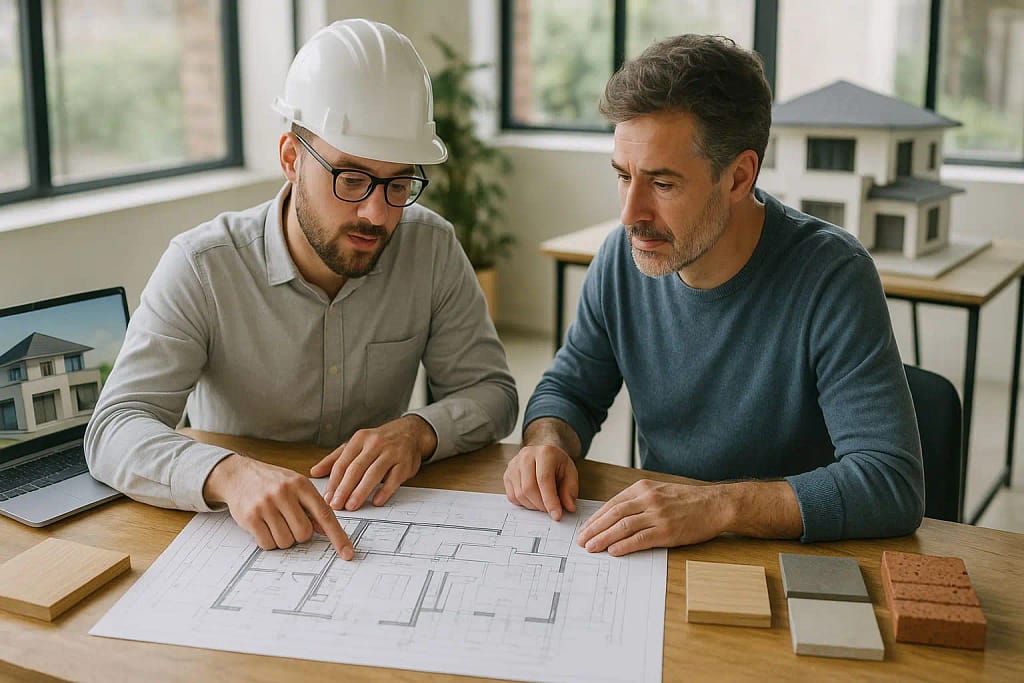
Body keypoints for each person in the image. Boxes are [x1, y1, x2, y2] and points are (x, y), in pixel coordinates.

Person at [85, 19, 517, 560]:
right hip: (238, 540)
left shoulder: (431, 248)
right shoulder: (202, 267)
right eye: (352, 179)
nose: (376, 213)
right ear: (291, 159)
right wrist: (227, 474)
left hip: (376, 534)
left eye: (399, 184)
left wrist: (418, 431)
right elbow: (114, 429)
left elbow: (493, 395)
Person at [504, 34, 924, 555]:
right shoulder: (621, 258)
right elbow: (569, 391)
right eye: (623, 175)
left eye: (662, 184)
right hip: (662, 555)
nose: (630, 214)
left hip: (789, 561)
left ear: (739, 176)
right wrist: (547, 443)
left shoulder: (832, 276)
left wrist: (717, 505)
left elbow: (890, 482)